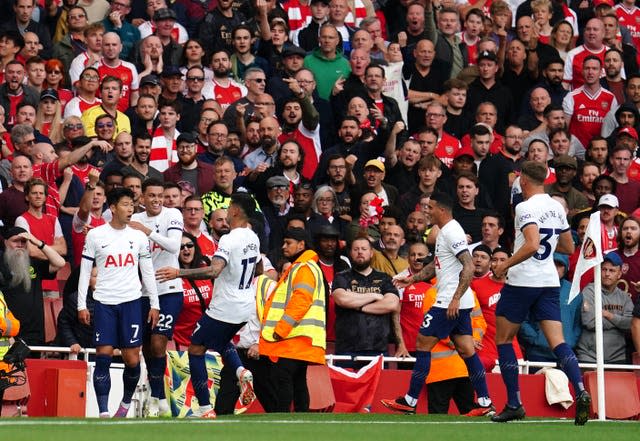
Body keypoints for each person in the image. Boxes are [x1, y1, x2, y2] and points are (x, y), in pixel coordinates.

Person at [490, 160, 590, 425]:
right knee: (558, 342)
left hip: (523, 282)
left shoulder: (524, 207)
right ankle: (580, 389)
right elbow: (568, 247)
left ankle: (514, 403)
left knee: (503, 339)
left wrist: (505, 265)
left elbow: (533, 244)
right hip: (548, 282)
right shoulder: (557, 207)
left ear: (523, 180)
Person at [381, 191, 494, 416]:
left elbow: (469, 266)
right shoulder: (445, 232)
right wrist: (412, 279)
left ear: (441, 210)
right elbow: (437, 265)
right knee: (467, 350)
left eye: (430, 208)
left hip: (448, 302)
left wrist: (453, 299)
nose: (426, 211)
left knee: (422, 344)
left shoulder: (452, 231)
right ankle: (484, 402)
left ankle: (410, 400)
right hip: (457, 302)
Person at [155, 193, 260, 418]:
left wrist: (178, 272)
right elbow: (258, 270)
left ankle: (205, 408)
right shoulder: (253, 237)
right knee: (221, 340)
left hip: (226, 306)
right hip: (246, 306)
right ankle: (241, 372)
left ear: (236, 211)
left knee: (196, 349)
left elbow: (213, 270)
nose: (227, 210)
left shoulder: (229, 239)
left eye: (230, 206)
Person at [77, 187, 160, 418]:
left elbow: (148, 272)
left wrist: (155, 303)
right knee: (103, 353)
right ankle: (103, 412)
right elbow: (85, 271)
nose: (130, 208)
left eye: (132, 204)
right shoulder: (96, 235)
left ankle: (123, 406)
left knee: (132, 359)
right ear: (112, 208)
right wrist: (81, 304)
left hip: (132, 303)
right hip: (104, 302)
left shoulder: (139, 237)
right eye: (125, 204)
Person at [129, 179, 183, 418]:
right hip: (143, 291)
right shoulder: (136, 219)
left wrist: (147, 232)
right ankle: (157, 395)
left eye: (160, 195)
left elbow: (173, 246)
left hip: (169, 288)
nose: (157, 200)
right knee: (149, 346)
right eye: (151, 196)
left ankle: (156, 397)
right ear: (142, 198)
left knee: (159, 341)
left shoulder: (172, 215)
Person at [259, 227, 326, 412]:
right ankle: (301, 417)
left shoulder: (303, 268)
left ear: (301, 244)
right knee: (297, 379)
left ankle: (282, 416)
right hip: (302, 335)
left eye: (288, 243)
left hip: (295, 335)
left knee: (284, 376)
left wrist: (281, 329)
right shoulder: (307, 266)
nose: (283, 247)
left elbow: (301, 301)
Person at [0, 227, 65, 348]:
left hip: (34, 333)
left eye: (23, 241)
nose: (20, 245)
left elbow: (60, 263)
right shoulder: (1, 263)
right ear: (5, 242)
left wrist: (38, 243)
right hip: (9, 333)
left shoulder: (33, 262)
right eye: (15, 241)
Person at [575, 252, 633, 364]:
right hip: (589, 356)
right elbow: (590, 322)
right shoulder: (589, 291)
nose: (607, 274)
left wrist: (609, 315)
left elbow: (630, 325)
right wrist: (618, 323)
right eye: (604, 269)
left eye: (612, 270)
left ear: (619, 274)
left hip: (617, 357)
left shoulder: (624, 297)